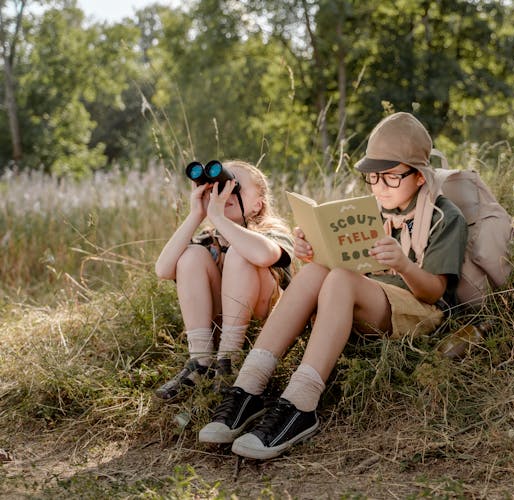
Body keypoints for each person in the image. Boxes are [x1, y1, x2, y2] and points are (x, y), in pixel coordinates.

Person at [198, 112, 468, 460]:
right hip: (364, 300)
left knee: (339, 278)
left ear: (419, 175)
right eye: (372, 177)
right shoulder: (371, 210)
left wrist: (401, 264)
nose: (379, 187)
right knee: (315, 272)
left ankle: (301, 404)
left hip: (414, 311)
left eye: (391, 177)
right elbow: (347, 267)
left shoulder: (444, 216)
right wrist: (313, 251)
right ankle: (248, 387)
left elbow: (433, 294)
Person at [153, 160, 294, 401]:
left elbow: (262, 255)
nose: (224, 193)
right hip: (219, 329)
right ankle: (201, 361)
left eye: (234, 186)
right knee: (191, 256)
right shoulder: (209, 239)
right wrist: (197, 214)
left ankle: (231, 358)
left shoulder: (271, 232)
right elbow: (164, 270)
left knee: (241, 252)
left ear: (258, 205)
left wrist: (218, 217)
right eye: (216, 187)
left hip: (263, 328)